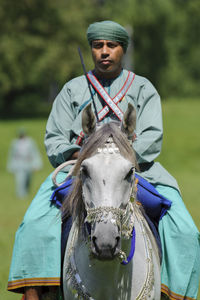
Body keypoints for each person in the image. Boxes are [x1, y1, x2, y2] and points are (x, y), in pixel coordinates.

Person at [7, 21, 200, 300]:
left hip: (138, 171)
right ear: (92, 50)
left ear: (123, 49)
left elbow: (152, 137)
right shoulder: (72, 90)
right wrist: (83, 154)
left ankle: (174, 292)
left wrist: (121, 154)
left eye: (112, 46)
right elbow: (54, 139)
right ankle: (37, 292)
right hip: (80, 171)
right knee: (33, 222)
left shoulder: (144, 89)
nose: (105, 52)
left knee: (185, 230)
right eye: (98, 46)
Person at [7, 128, 43, 199]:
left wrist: (36, 164)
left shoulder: (30, 142)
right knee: (20, 179)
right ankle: (21, 195)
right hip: (19, 164)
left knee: (28, 179)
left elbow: (35, 153)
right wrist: (11, 166)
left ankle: (26, 192)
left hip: (28, 163)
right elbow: (12, 155)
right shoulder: (15, 143)